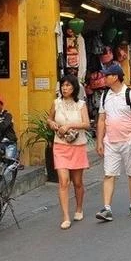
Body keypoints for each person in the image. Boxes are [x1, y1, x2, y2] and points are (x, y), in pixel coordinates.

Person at [95, 63, 131, 222]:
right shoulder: (105, 96)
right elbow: (101, 120)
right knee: (109, 174)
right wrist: (99, 141)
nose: (104, 78)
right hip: (111, 142)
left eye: (107, 75)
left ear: (115, 77)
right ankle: (107, 208)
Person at [47, 74, 90, 230]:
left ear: (74, 88)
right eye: (63, 85)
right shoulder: (56, 103)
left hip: (77, 145)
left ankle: (79, 208)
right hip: (60, 145)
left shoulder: (81, 105)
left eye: (68, 85)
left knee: (77, 182)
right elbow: (49, 118)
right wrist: (52, 124)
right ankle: (65, 216)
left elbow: (86, 124)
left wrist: (70, 125)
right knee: (63, 181)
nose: (65, 88)